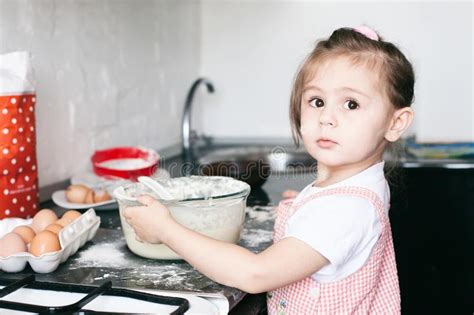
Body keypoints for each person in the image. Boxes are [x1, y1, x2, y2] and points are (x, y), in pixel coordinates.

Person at [123, 25, 414, 314]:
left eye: (351, 104)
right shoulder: (357, 187)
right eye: (317, 101)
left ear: (395, 123)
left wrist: (165, 229)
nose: (326, 117)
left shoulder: (345, 210)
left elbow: (255, 274)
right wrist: (306, 205)